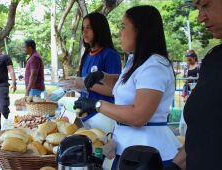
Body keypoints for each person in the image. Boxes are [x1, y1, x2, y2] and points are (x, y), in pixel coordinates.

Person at [74, 6, 180, 169]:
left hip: (148, 155)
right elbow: (127, 83)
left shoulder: (155, 66)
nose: (119, 33)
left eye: (123, 27)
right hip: (128, 149)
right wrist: (103, 76)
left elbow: (139, 116)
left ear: (140, 31)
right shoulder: (136, 60)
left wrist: (97, 105)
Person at [171, 0, 222, 169]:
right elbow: (202, 135)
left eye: (206, 5)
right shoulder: (214, 59)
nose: (200, 18)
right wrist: (175, 165)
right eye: (198, 9)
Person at [62, 12, 121, 133]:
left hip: (103, 116)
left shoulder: (110, 55)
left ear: (99, 29)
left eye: (88, 28)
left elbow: (114, 90)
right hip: (85, 115)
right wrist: (74, 85)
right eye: (83, 28)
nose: (84, 32)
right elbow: (85, 85)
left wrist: (85, 84)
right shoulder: (86, 55)